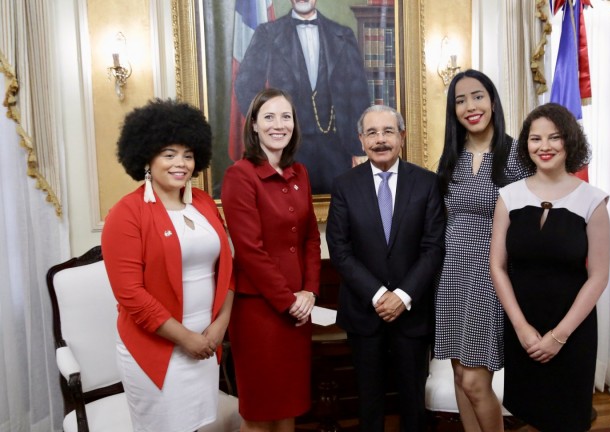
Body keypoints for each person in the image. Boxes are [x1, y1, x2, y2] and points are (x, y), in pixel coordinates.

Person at [101, 99, 235, 432]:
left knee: (201, 425)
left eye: (188, 155)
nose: (181, 164)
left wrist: (219, 327)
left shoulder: (203, 202)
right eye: (169, 154)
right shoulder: (126, 213)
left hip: (205, 343)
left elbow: (229, 270)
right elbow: (130, 294)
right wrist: (186, 338)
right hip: (158, 351)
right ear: (147, 157)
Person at [489, 103, 610, 431]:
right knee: (528, 414)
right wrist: (521, 327)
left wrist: (559, 336)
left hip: (573, 330)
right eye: (535, 138)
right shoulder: (508, 196)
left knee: (568, 418)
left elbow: (598, 276)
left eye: (554, 138)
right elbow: (497, 266)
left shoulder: (593, 200)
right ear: (526, 145)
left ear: (569, 141)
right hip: (522, 326)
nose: (544, 146)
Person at [326, 105, 445, 432]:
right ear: (361, 139)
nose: (380, 140)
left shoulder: (426, 183)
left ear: (402, 137)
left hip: (413, 312)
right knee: (369, 402)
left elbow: (433, 247)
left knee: (413, 403)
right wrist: (379, 295)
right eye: (372, 133)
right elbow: (340, 249)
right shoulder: (344, 185)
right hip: (364, 313)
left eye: (388, 131)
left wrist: (403, 296)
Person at [434, 69, 533, 432]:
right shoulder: (450, 158)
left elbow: (528, 229)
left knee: (476, 382)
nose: (470, 106)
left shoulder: (516, 158)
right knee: (460, 374)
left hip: (490, 279)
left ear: (492, 101)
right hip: (451, 279)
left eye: (477, 96)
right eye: (460, 101)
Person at [221, 88, 321, 432]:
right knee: (261, 410)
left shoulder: (300, 173)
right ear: (253, 125)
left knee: (289, 404)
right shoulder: (240, 175)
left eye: (286, 117)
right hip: (259, 311)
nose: (278, 125)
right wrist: (288, 300)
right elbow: (249, 250)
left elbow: (310, 237)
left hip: (299, 309)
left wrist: (309, 292)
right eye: (269, 117)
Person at [234, 0, 370, 195]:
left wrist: (358, 148)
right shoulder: (268, 33)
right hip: (287, 149)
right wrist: (269, 130)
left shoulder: (343, 34)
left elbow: (359, 95)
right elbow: (245, 86)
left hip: (337, 149)